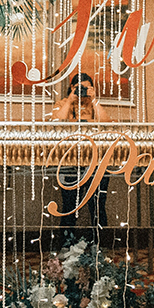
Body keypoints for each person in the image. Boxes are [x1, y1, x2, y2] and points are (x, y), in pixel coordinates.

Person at [51, 72, 109, 235]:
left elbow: (107, 124)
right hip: (69, 160)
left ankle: (99, 243)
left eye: (86, 88)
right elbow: (56, 123)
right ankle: (67, 242)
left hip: (95, 159)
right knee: (69, 205)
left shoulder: (94, 104)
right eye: (79, 87)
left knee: (98, 205)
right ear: (71, 87)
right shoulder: (63, 103)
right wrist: (70, 100)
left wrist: (94, 100)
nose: (82, 91)